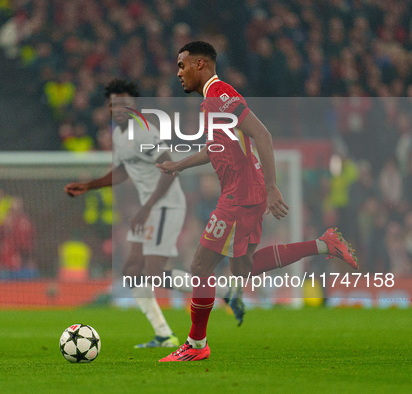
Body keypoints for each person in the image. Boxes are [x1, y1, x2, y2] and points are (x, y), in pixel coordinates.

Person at [156, 41, 358, 362]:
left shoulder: (221, 94)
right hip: (241, 193)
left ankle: (196, 345)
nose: (178, 73)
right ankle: (324, 244)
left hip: (240, 195)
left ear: (200, 65)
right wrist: (178, 166)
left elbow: (262, 134)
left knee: (200, 266)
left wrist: (273, 188)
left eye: (182, 66)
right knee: (242, 269)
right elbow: (215, 150)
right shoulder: (210, 101)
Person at [65, 79, 241, 348]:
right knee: (133, 270)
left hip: (166, 205)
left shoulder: (144, 132)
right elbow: (124, 170)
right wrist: (89, 185)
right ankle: (163, 334)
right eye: (115, 104)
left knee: (155, 272)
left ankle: (226, 291)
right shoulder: (118, 135)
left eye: (126, 103)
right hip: (149, 207)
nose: (120, 108)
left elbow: (169, 169)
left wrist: (147, 208)